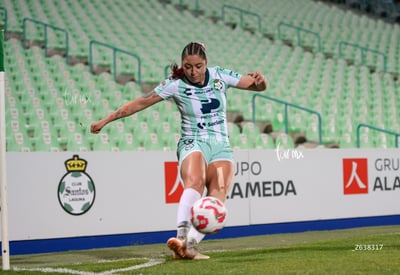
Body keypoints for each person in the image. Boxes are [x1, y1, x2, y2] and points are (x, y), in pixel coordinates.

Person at [90, 42, 267, 260]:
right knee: (194, 181)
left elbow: (256, 86)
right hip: (193, 142)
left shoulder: (220, 75)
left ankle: (190, 247)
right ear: (182, 65)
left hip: (221, 145)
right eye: (188, 66)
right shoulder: (174, 84)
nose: (193, 72)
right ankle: (180, 237)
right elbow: (140, 103)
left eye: (199, 66)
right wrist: (106, 120)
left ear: (206, 64)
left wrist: (261, 82)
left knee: (218, 196)